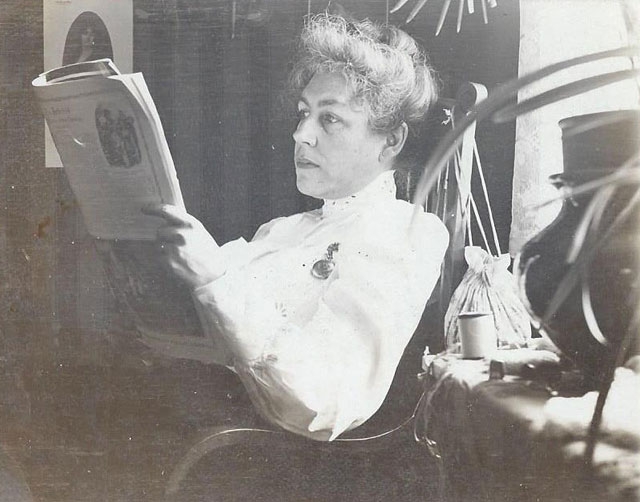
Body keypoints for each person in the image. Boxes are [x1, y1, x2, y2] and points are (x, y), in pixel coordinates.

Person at [144, 14, 449, 441]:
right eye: (304, 113)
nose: (301, 134)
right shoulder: (282, 231)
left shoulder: (405, 233)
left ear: (391, 141)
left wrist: (215, 281)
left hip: (263, 457)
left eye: (330, 119)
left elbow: (324, 401)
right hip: (188, 420)